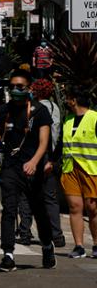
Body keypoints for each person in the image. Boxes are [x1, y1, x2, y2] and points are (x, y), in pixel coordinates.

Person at [0, 69, 56, 272]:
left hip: (32, 169)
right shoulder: (4, 110)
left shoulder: (39, 111)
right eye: (11, 86)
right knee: (9, 209)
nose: (15, 90)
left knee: (39, 209)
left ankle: (47, 245)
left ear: (29, 87)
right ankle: (8, 254)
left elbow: (44, 141)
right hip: (10, 167)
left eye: (19, 86)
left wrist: (35, 162)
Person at [17, 79, 65, 247]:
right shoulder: (55, 108)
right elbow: (58, 136)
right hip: (48, 157)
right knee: (50, 198)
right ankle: (57, 235)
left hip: (32, 155)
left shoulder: (33, 108)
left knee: (26, 196)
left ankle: (24, 233)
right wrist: (52, 159)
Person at [55, 84, 97, 259]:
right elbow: (60, 145)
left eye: (67, 97)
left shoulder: (94, 118)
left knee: (93, 208)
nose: (65, 100)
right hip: (70, 169)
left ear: (74, 100)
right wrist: (51, 161)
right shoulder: (68, 119)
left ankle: (96, 244)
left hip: (91, 169)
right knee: (75, 207)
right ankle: (79, 246)